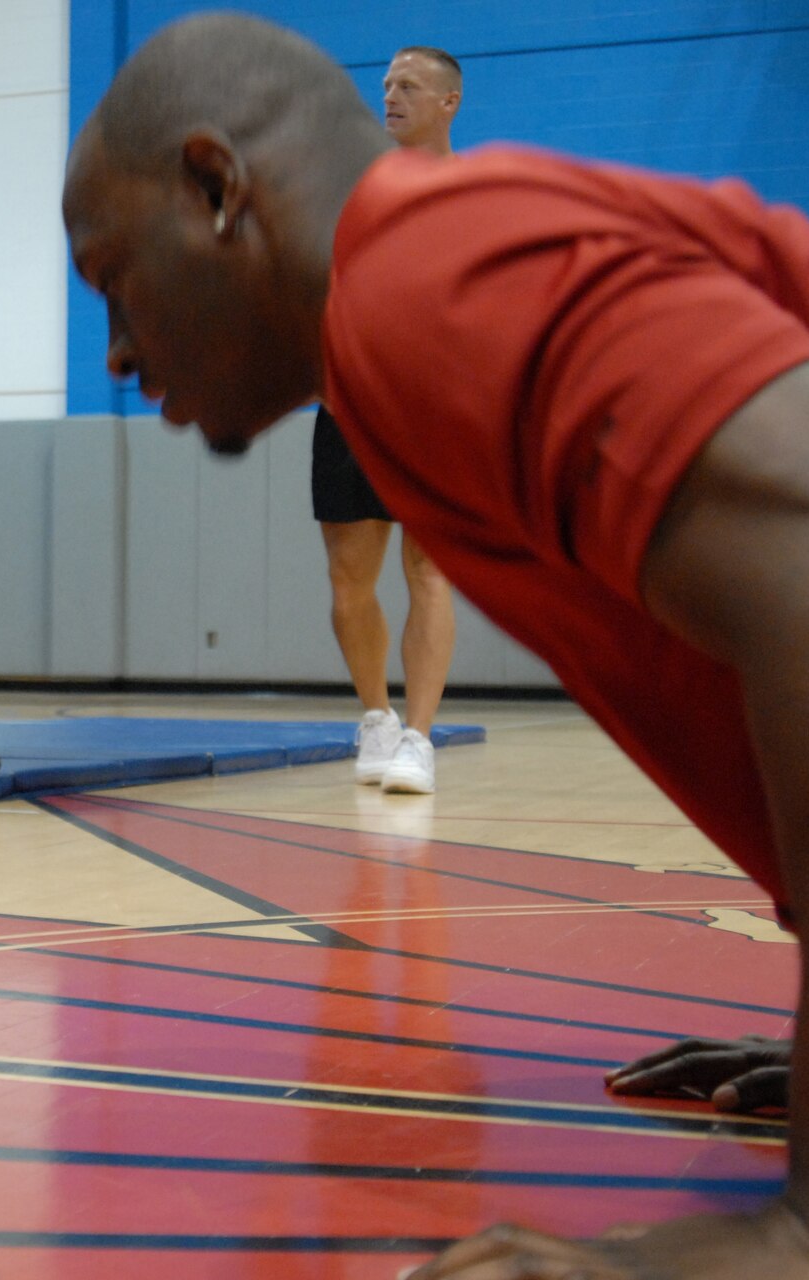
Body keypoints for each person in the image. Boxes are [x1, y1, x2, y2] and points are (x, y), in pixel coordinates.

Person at [64, 14, 809, 1280]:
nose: (114, 349)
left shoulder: (419, 266)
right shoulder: (405, 318)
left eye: (110, 278)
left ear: (216, 186)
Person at [315, 45, 462, 793]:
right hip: (351, 404)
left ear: (448, 102)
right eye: (386, 85)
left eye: (409, 85)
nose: (392, 94)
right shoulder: (353, 188)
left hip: (432, 408)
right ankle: (375, 717)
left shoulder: (473, 191)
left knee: (430, 569)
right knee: (349, 580)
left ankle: (420, 737)